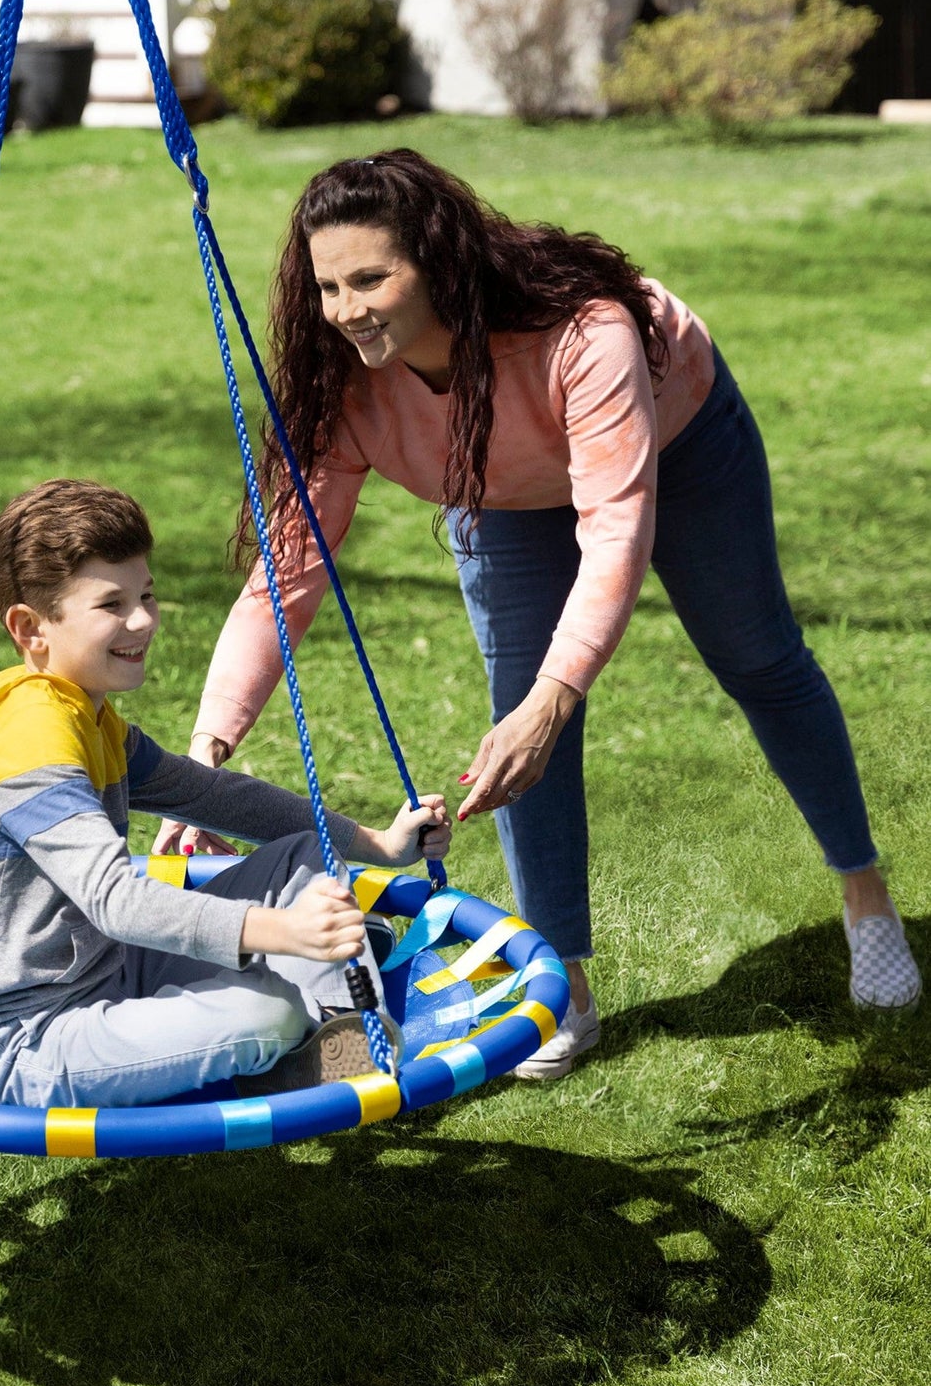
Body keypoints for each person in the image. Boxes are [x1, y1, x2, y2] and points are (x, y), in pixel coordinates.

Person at [156, 148, 921, 1079]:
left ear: (437, 264)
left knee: (754, 656)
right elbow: (285, 577)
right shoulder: (344, 383)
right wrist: (204, 759)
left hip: (674, 441)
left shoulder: (582, 334)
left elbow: (614, 534)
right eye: (327, 286)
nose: (347, 309)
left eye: (371, 278)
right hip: (502, 489)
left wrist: (559, 695)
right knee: (518, 719)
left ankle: (864, 895)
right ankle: (564, 986)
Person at [0, 478, 450, 1109]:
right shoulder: (27, 741)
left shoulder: (85, 715)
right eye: (111, 605)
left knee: (300, 853)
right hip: (26, 1035)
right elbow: (115, 900)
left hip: (109, 967)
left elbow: (219, 798)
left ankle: (343, 1033)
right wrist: (281, 932)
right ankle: (301, 1027)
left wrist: (381, 845)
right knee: (268, 1010)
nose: (143, 619)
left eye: (147, 594)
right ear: (32, 628)